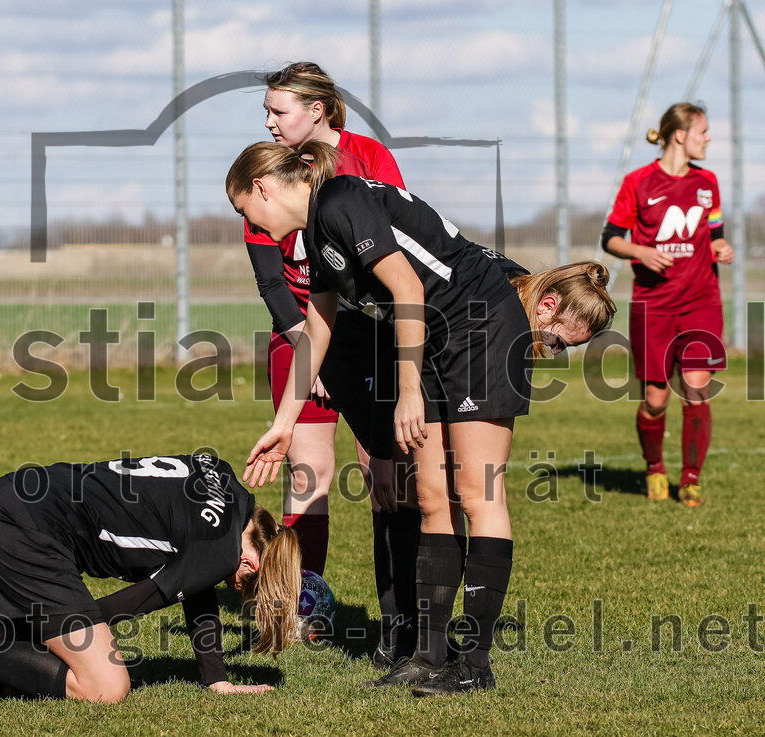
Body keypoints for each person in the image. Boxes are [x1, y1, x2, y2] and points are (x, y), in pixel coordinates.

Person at [227, 141, 615, 695]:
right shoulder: (316, 233)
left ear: (263, 187)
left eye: (244, 208)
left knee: (477, 492)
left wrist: (407, 387)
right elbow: (318, 331)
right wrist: (285, 423)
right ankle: (429, 657)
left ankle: (474, 665)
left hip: (483, 324)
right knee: (432, 496)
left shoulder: (338, 198)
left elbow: (408, 288)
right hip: (436, 338)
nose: (250, 222)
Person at [0, 454, 302, 703]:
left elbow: (192, 581)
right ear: (253, 564)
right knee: (106, 686)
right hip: (27, 533)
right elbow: (135, 602)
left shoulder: (222, 480)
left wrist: (214, 678)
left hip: (14, 500)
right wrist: (18, 628)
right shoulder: (223, 551)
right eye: (245, 586)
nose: (233, 587)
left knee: (70, 650)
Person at [243, 61, 419, 666]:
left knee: (385, 475)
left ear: (318, 109)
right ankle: (303, 603)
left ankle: (402, 616)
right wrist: (306, 350)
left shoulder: (367, 159)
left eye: (278, 111)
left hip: (369, 340)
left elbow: (396, 245)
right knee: (307, 477)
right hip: (302, 341)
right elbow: (272, 281)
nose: (269, 123)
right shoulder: (263, 178)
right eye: (266, 112)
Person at [602, 102, 733, 507]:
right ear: (680, 134)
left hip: (701, 301)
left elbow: (715, 233)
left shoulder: (707, 182)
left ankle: (691, 480)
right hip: (653, 304)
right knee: (655, 400)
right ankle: (655, 467)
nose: (708, 138)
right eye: (703, 131)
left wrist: (721, 246)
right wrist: (640, 252)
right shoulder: (638, 182)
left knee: (696, 390)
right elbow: (610, 237)